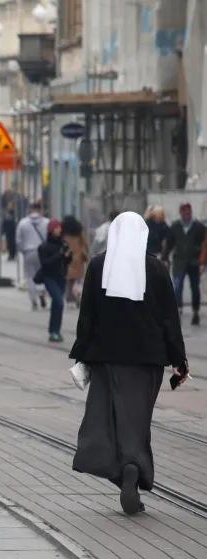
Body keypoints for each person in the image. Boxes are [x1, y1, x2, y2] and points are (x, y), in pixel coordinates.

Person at [69, 211, 188, 515]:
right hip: (147, 361)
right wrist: (178, 360)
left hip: (106, 359)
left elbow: (87, 316)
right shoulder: (157, 269)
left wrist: (81, 354)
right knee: (136, 420)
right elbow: (169, 318)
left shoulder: (99, 266)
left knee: (107, 419)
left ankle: (121, 470)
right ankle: (132, 466)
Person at [164, 202, 206, 325]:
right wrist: (165, 257)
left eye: (188, 211)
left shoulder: (199, 227)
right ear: (180, 212)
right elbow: (169, 243)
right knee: (177, 286)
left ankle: (195, 311)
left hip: (194, 262)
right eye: (184, 211)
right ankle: (178, 309)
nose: (186, 213)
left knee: (195, 288)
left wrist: (202, 262)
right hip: (179, 261)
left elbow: (204, 245)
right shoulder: (175, 226)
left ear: (191, 212)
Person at [37, 219, 71, 342]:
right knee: (59, 302)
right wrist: (60, 255)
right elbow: (45, 263)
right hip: (49, 277)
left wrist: (67, 256)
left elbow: (67, 261)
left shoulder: (62, 244)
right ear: (51, 230)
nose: (59, 230)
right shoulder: (44, 247)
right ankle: (54, 331)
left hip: (60, 277)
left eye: (60, 227)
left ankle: (55, 330)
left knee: (56, 304)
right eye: (57, 228)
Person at [17, 201, 49, 310]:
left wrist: (23, 251)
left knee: (30, 276)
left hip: (28, 252)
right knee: (43, 274)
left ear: (30, 210)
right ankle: (42, 292)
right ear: (40, 210)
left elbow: (18, 240)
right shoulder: (46, 222)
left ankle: (33, 300)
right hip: (43, 252)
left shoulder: (23, 223)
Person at [62, 215, 89, 307]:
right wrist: (86, 252)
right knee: (78, 279)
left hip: (68, 256)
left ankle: (70, 299)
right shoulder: (79, 231)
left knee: (69, 280)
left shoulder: (64, 233)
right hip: (79, 256)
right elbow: (85, 243)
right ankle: (78, 293)